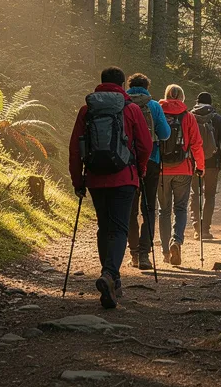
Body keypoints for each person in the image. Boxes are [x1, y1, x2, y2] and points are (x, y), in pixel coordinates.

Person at [68, 67, 154, 309]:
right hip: (125, 178)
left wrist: (78, 181)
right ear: (122, 86)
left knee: (103, 227)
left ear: (101, 83)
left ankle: (112, 280)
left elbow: (75, 148)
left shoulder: (87, 110)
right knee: (119, 228)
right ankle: (110, 275)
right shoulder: (132, 109)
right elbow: (146, 145)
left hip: (95, 178)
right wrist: (141, 168)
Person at [126, 74, 171, 271]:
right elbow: (165, 134)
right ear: (146, 87)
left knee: (130, 209)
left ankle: (134, 253)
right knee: (149, 208)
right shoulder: (153, 106)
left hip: (126, 163)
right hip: (151, 160)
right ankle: (145, 254)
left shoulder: (123, 104)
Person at [157, 84, 204, 265]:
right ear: (182, 98)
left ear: (166, 95)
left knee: (164, 210)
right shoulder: (188, 116)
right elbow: (196, 144)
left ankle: (165, 253)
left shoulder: (158, 113)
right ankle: (176, 240)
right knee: (180, 208)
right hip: (183, 168)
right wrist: (200, 167)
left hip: (161, 169)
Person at [190, 91, 221, 240]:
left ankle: (197, 228)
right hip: (213, 162)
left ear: (197, 102)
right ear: (211, 103)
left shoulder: (190, 117)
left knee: (195, 194)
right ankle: (205, 229)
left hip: (194, 162)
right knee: (209, 195)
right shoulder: (217, 118)